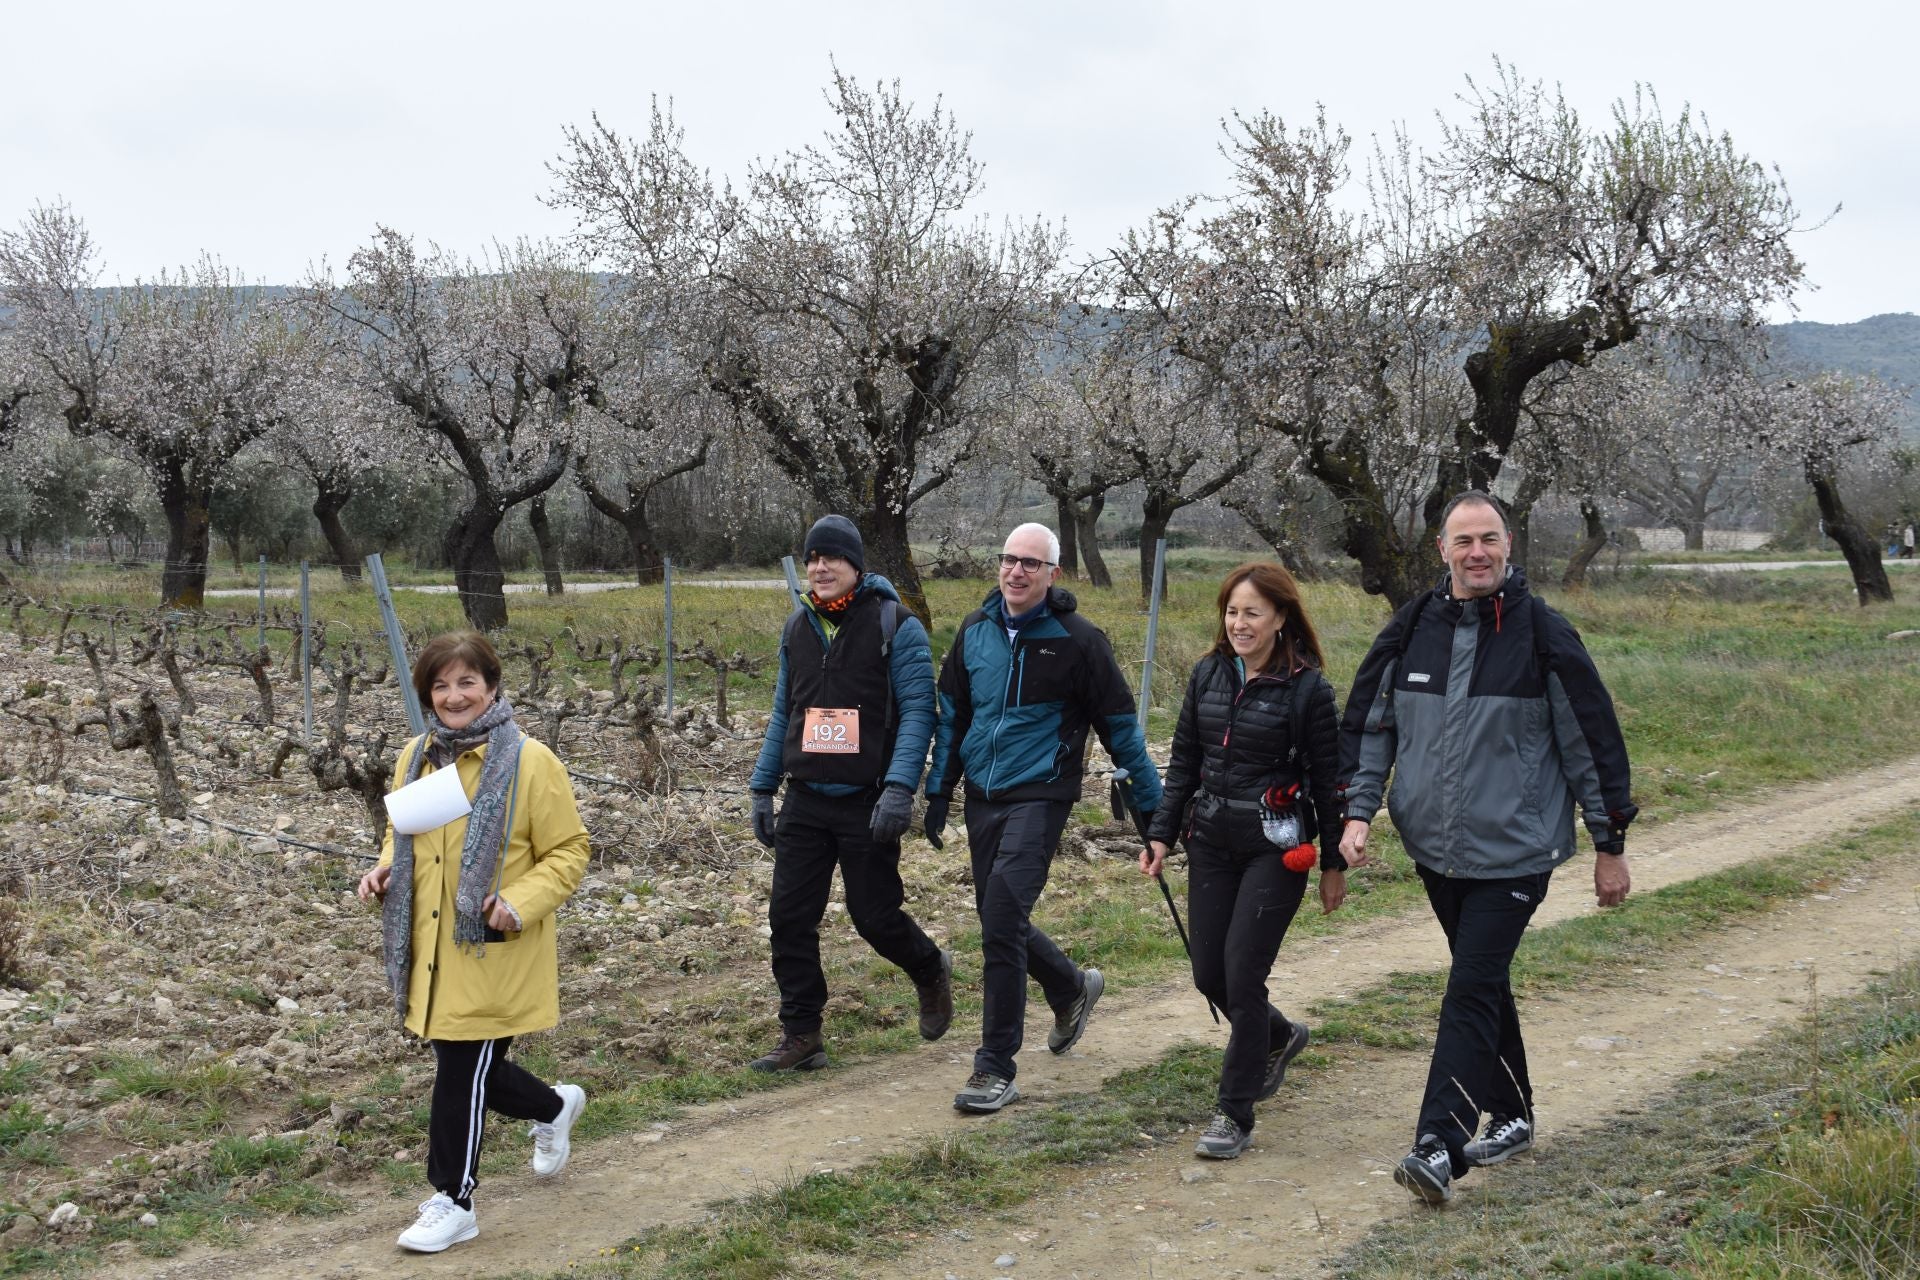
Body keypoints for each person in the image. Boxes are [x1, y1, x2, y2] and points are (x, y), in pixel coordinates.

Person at [1338, 492, 1636, 1204]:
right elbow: (1372, 727)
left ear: (1509, 545)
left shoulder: (1542, 634)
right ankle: (1514, 1112)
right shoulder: (1413, 627)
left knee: (1468, 988)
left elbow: (1591, 742)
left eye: (1490, 539)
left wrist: (1609, 841)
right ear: (1441, 549)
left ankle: (1437, 1145)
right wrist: (1357, 812)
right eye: (1464, 540)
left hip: (1515, 853)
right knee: (1485, 981)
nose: (1478, 552)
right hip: (1435, 851)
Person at [356, 632, 591, 1253]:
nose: (454, 696)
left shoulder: (530, 762)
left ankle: (453, 1200)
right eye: (440, 684)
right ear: (427, 694)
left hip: (495, 946)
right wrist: (384, 870)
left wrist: (520, 902)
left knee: (461, 1069)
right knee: (469, 1066)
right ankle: (553, 1107)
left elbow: (570, 851)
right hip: (431, 951)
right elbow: (401, 836)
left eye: (466, 682)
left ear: (492, 686)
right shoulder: (418, 756)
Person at [925, 522, 1163, 1113]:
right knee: (996, 916)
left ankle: (994, 1067)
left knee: (1002, 914)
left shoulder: (1079, 641)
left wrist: (1157, 812)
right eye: (1009, 559)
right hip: (982, 793)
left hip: (1041, 793)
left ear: (1053, 574)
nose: (1017, 571)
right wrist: (937, 790)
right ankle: (1070, 986)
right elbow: (952, 715)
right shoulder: (974, 633)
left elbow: (1120, 729)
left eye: (1032, 563)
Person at [1143, 562, 1346, 1159]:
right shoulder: (1208, 673)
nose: (1239, 623)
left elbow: (1329, 781)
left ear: (1281, 618)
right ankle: (1278, 1036)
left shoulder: (1309, 689)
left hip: (1275, 847)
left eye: (1253, 612)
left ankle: (1234, 1113)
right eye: (1232, 611)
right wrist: (1161, 835)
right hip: (1210, 840)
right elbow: (1182, 765)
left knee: (1242, 971)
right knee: (1210, 974)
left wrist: (1332, 862)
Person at [746, 514, 952, 1071]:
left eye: (831, 558)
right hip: (807, 797)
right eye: (812, 558)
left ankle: (931, 969)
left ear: (856, 565)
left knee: (875, 916)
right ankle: (802, 1033)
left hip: (869, 800)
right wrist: (763, 788)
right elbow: (783, 712)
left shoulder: (896, 626)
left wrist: (900, 788)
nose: (819, 567)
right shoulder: (798, 628)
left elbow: (917, 714)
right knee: (789, 918)